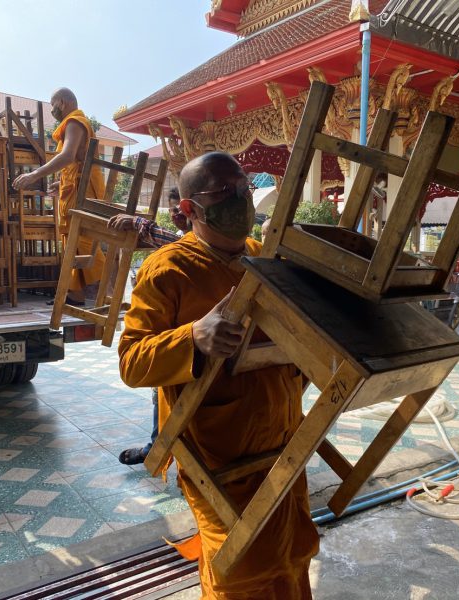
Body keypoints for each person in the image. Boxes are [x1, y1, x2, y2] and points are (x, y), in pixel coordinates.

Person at [118, 153, 318, 597]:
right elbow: (131, 362)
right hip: (217, 449)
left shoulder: (263, 258)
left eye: (244, 189)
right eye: (224, 193)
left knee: (293, 552)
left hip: (283, 439)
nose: (241, 201)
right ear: (189, 209)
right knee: (241, 566)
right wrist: (192, 337)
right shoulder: (168, 269)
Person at [108, 187, 187, 466]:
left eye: (181, 207)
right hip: (175, 334)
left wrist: (138, 222)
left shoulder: (197, 243)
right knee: (161, 391)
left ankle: (159, 446)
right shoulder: (183, 244)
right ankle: (158, 444)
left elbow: (171, 242)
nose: (177, 213)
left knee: (164, 387)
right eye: (172, 208)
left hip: (190, 337)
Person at [13, 88, 106, 305]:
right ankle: (75, 294)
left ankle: (109, 291)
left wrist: (35, 173)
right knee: (71, 241)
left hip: (83, 190)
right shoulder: (73, 122)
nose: (52, 109)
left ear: (61, 103)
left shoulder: (74, 122)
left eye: (52, 104)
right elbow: (76, 161)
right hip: (76, 187)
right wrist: (60, 182)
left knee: (83, 240)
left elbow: (68, 156)